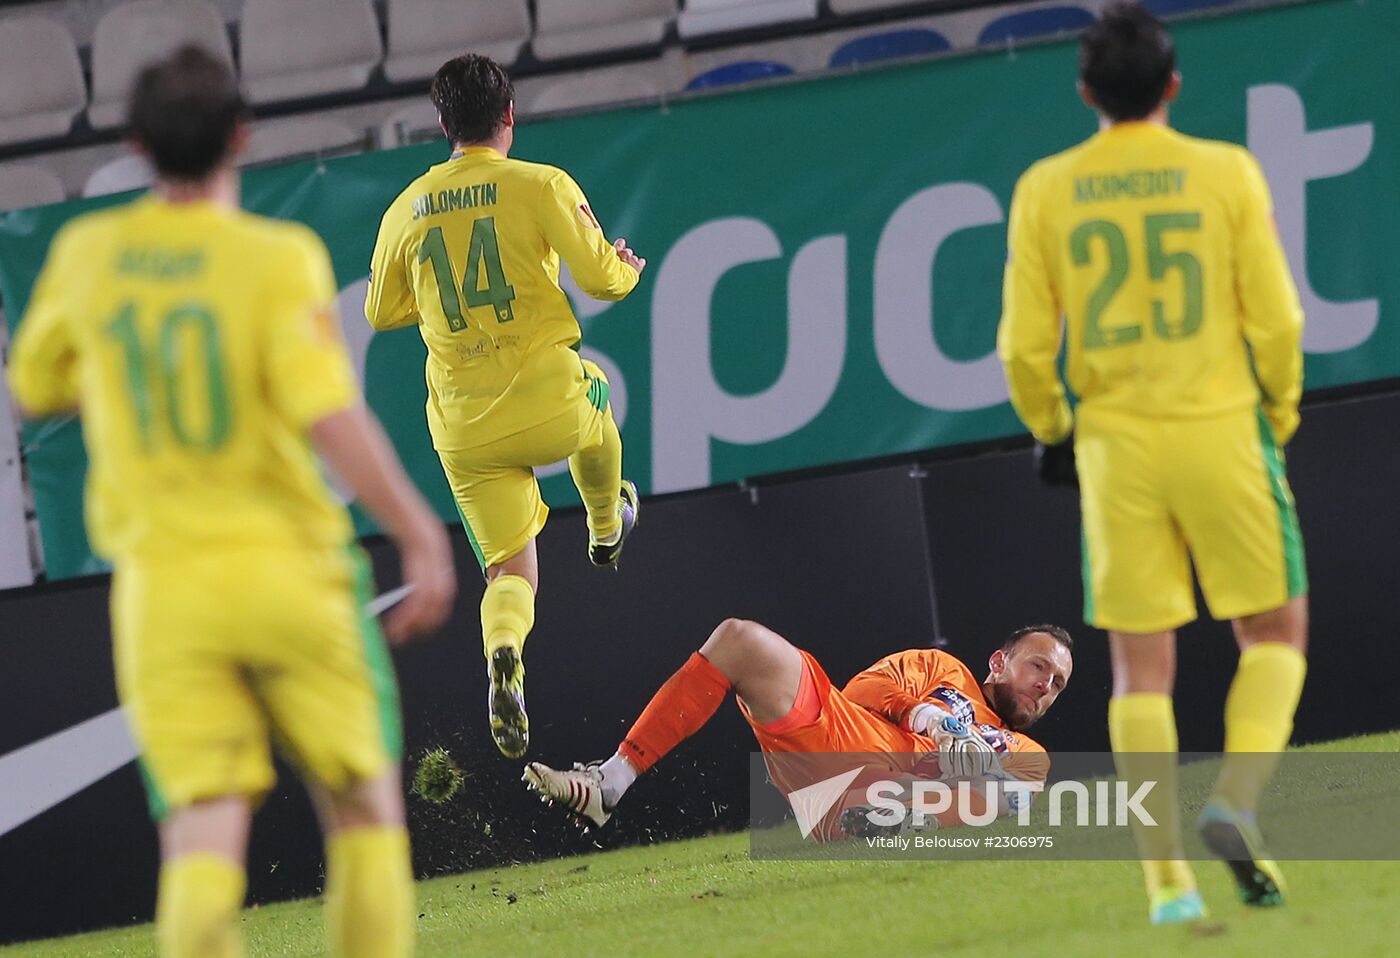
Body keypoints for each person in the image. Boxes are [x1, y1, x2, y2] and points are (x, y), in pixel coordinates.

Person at [6, 47, 456, 958]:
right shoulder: (274, 259)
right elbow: (330, 413)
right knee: (362, 801)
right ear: (241, 136)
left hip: (165, 594)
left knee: (202, 832)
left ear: (136, 144)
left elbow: (37, 384)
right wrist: (418, 532)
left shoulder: (89, 256)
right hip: (291, 575)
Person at [997, 1, 1308, 925]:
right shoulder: (1225, 172)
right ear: (1173, 85)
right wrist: (1279, 410)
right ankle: (1237, 803)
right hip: (1221, 429)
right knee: (1275, 637)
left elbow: (1021, 348)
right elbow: (1279, 320)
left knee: (1142, 675)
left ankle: (1167, 884)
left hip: (1118, 445)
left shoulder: (1048, 187)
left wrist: (1057, 428)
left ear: (1086, 91)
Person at [365, 53, 646, 759]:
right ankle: (608, 527)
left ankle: (502, 651)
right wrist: (625, 267)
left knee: (512, 573)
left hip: (465, 426)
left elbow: (378, 310)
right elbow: (601, 280)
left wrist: (432, 302)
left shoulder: (407, 208)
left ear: (442, 125)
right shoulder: (540, 184)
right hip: (547, 397)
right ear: (510, 117)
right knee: (598, 404)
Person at [524, 619, 1072, 839]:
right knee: (739, 638)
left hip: (891, 800)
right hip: (840, 739)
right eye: (1039, 667)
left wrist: (968, 759)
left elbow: (1011, 799)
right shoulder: (940, 668)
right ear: (999, 662)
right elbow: (860, 695)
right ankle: (610, 783)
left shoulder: (1027, 749)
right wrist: (929, 715)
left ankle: (890, 819)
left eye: (1059, 683)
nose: (1047, 685)